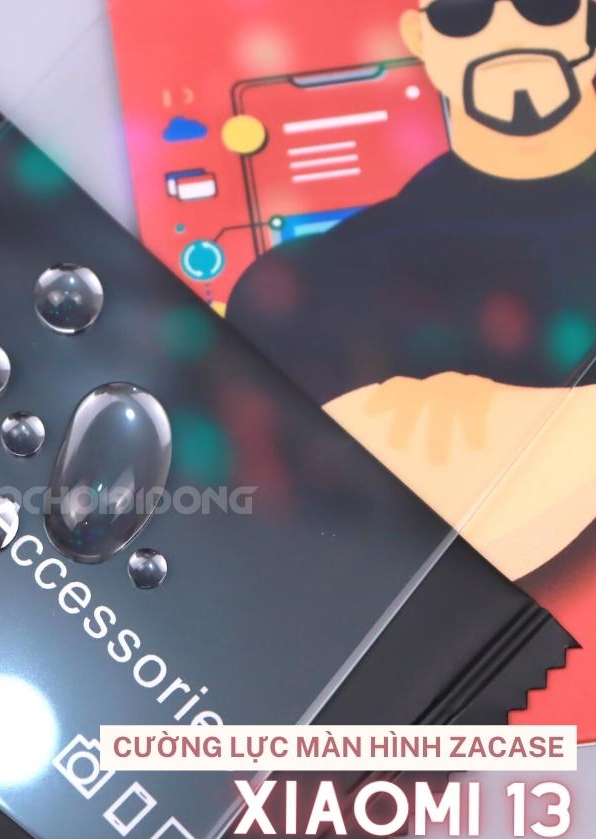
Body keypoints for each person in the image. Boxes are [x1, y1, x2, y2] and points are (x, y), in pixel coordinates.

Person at [226, 0, 596, 582]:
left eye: (544, 5)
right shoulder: (332, 270)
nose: (509, 32)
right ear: (421, 35)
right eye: (464, 12)